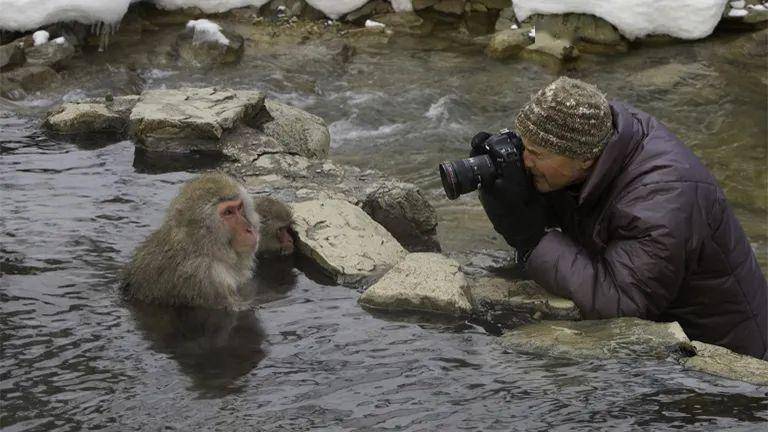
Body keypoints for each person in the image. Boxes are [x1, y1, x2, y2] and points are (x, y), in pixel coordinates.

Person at [477, 76, 767, 359]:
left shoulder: (661, 200)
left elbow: (621, 304)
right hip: (667, 341)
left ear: (585, 159)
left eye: (536, 154)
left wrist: (531, 239)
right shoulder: (596, 139)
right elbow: (557, 209)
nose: (526, 162)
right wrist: (500, 191)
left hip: (726, 360)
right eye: (524, 147)